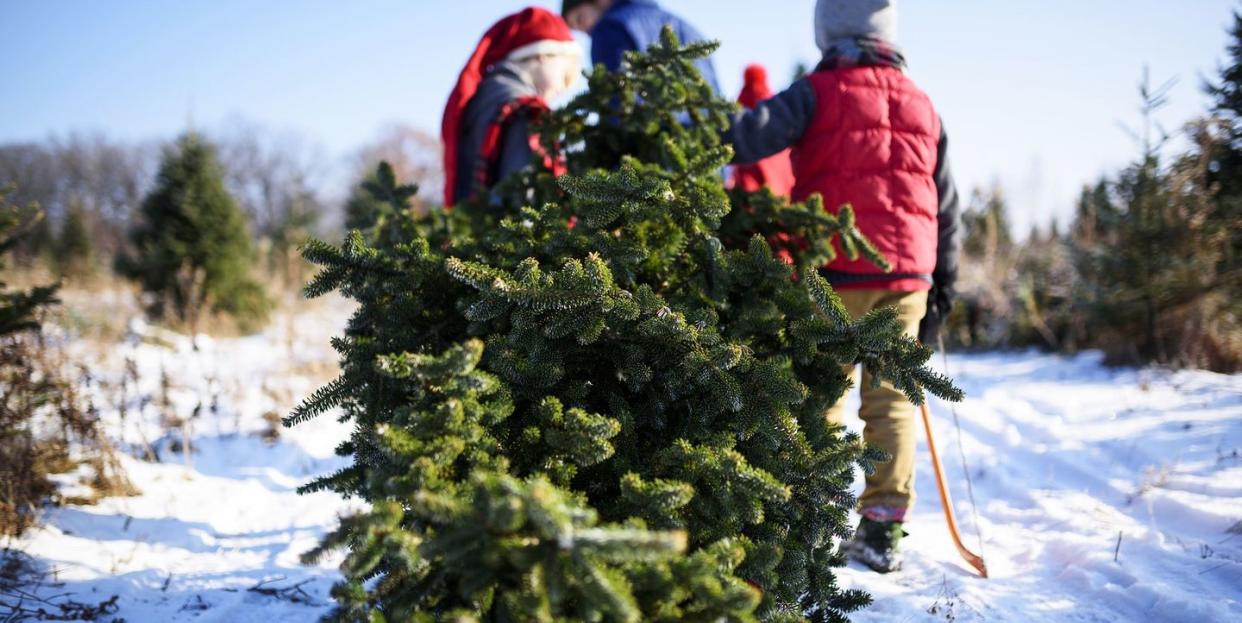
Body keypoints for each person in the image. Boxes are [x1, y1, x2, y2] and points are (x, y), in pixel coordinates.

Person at [725, 0, 961, 573]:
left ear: (826, 33)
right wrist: (942, 286)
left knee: (823, 394)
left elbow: (748, 138)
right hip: (908, 276)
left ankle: (817, 515)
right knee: (892, 401)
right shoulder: (922, 103)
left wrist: (690, 127)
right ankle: (882, 530)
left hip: (835, 267)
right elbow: (949, 203)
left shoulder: (816, 91)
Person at [442, 7, 581, 206]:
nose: (562, 88)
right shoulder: (525, 109)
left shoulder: (481, 96)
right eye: (565, 75)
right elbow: (522, 205)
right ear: (542, 55)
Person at [561, 0, 721, 94]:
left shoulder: (609, 29)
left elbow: (618, 101)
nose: (586, 32)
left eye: (581, 20)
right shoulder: (687, 28)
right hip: (708, 144)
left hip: (651, 145)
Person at [730, 64, 795, 198]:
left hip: (753, 202)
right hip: (782, 199)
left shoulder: (744, 105)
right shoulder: (773, 109)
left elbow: (746, 177)